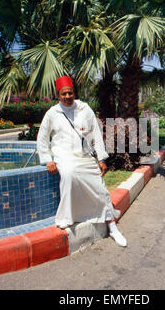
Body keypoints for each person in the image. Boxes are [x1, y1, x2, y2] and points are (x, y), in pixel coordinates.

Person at [37, 76, 127, 247]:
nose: (68, 96)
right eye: (64, 94)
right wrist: (48, 159)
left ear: (74, 93)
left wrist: (101, 158)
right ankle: (67, 218)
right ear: (59, 95)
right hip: (64, 155)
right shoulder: (52, 113)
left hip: (85, 155)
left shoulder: (85, 109)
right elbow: (42, 138)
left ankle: (112, 226)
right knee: (69, 175)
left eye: (70, 93)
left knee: (100, 188)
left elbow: (97, 135)